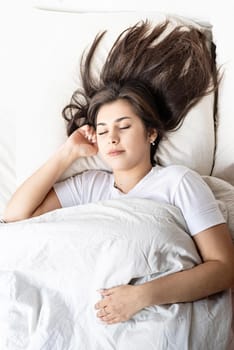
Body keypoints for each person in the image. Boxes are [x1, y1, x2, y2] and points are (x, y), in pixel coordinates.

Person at [3, 20, 234, 325]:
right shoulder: (89, 186)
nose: (112, 137)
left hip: (149, 311)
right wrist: (67, 154)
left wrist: (142, 296)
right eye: (102, 130)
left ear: (151, 133)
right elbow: (16, 218)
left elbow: (223, 267)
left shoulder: (179, 182)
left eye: (124, 127)